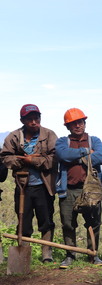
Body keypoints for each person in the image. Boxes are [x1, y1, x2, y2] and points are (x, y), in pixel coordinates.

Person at [0, 104, 58, 262]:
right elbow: (5, 157)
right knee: (23, 220)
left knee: (46, 220)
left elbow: (54, 159)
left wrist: (32, 160)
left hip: (44, 186)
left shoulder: (49, 135)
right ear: (23, 120)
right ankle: (23, 254)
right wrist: (20, 162)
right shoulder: (13, 137)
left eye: (36, 118)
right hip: (22, 186)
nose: (34, 122)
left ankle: (47, 253)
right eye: (30, 119)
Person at [55, 108, 102, 269]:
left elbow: (101, 157)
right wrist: (85, 153)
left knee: (93, 223)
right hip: (68, 189)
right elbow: (62, 155)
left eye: (80, 122)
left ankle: (93, 254)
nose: (78, 125)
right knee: (68, 223)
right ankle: (70, 255)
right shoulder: (63, 141)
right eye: (73, 123)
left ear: (85, 123)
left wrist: (74, 157)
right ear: (68, 127)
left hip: (90, 191)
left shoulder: (94, 140)